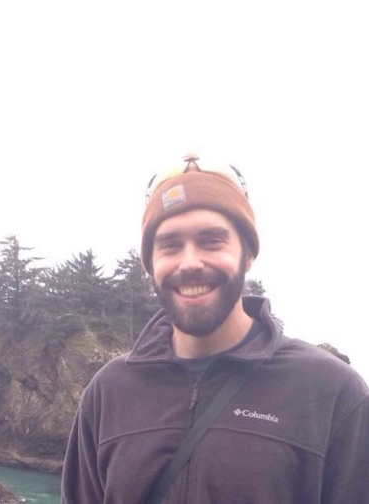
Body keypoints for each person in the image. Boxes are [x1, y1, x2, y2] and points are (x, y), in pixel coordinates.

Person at [61, 155, 369, 503]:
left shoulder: (332, 392)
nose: (190, 262)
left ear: (248, 254)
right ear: (150, 264)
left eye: (212, 241)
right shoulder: (108, 392)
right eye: (170, 245)